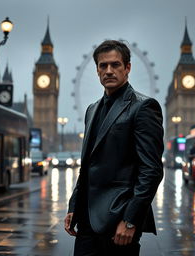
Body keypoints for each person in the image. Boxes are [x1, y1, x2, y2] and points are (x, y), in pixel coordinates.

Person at [64, 40, 164, 256]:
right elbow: (87, 166)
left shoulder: (143, 107)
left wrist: (130, 220)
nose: (108, 71)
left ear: (128, 68)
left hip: (119, 219)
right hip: (87, 221)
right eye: (103, 65)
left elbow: (151, 170)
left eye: (115, 65)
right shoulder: (92, 110)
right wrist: (74, 206)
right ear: (97, 70)